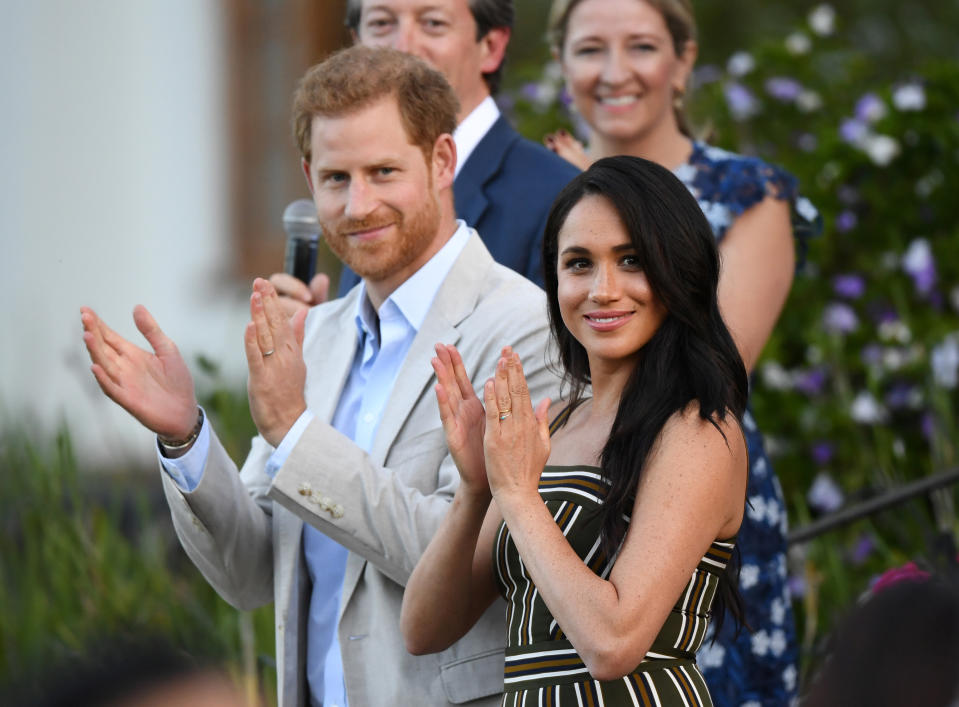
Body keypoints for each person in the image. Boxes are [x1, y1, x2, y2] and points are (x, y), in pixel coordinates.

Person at [80, 46, 560, 707]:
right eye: (336, 178)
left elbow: (467, 560)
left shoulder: (523, 328)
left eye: (383, 171)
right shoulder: (321, 334)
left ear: (443, 161)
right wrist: (186, 436)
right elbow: (250, 571)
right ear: (308, 178)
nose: (358, 204)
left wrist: (295, 431)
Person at [543, 1, 822, 703]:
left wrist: (601, 190)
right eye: (588, 50)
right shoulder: (544, 191)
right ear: (559, 64)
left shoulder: (745, 191)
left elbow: (717, 358)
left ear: (683, 60)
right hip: (567, 481)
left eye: (639, 46)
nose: (613, 72)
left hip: (694, 488)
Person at [401, 155, 750, 705]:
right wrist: (476, 490)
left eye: (631, 260)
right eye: (580, 263)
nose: (603, 290)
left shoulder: (697, 429)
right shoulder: (554, 422)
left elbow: (613, 644)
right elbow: (424, 630)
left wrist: (517, 493)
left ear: (677, 268)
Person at [272, 0, 580, 310]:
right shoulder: (354, 198)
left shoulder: (561, 200)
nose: (403, 46)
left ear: (491, 46)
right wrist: (328, 342)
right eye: (381, 24)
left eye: (433, 23)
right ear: (356, 46)